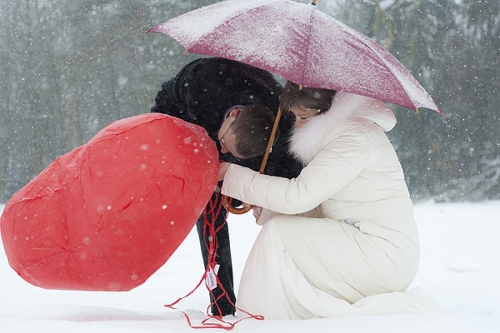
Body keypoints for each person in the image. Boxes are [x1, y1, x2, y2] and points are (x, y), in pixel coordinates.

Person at [218, 81, 441, 319]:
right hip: (363, 242)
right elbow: (319, 207)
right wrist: (268, 206)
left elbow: (299, 196)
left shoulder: (354, 138)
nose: (299, 125)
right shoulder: (341, 133)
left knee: (278, 234)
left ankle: (262, 320)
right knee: (280, 232)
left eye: (304, 117)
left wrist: (233, 175)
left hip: (384, 256)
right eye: (296, 116)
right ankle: (270, 317)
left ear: (327, 110)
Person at [151, 58, 303, 317]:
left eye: (228, 151)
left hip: (251, 140)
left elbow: (289, 185)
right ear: (233, 114)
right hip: (192, 129)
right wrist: (179, 144)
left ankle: (290, 291)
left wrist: (259, 188)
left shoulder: (283, 126)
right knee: (210, 216)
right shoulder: (199, 81)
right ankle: (221, 301)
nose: (222, 150)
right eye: (224, 143)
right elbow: (164, 100)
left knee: (284, 218)